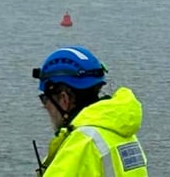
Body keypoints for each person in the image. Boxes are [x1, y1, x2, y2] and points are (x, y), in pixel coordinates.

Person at [32, 46, 148, 176]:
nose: (45, 107)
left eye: (45, 99)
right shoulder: (121, 132)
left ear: (64, 99)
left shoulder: (81, 143)